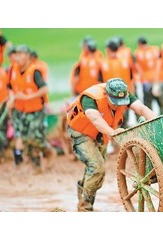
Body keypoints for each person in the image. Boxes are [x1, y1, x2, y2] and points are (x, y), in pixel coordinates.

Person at [66, 78, 156, 211]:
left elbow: (142, 109)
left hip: (101, 134)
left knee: (97, 172)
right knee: (97, 167)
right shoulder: (90, 98)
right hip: (81, 132)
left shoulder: (124, 93)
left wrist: (156, 120)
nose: (118, 106)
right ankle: (84, 208)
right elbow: (96, 119)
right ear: (107, 95)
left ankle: (83, 197)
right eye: (115, 103)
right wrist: (113, 133)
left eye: (121, 103)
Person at [8, 45, 55, 171]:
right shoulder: (12, 70)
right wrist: (12, 98)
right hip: (20, 110)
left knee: (35, 138)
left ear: (28, 56)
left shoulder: (34, 71)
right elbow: (10, 88)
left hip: (35, 110)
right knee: (25, 139)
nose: (18, 57)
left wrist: (28, 97)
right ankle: (36, 167)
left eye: (21, 54)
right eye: (16, 54)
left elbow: (44, 88)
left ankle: (49, 151)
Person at [100, 38, 134, 128]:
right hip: (125, 97)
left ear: (107, 50)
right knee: (124, 124)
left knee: (112, 125)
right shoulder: (125, 62)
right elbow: (131, 79)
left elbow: (99, 83)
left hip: (110, 100)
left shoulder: (103, 63)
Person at [134, 36, 163, 114]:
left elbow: (138, 69)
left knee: (148, 104)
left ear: (139, 44)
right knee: (161, 103)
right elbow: (159, 64)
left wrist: (144, 80)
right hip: (156, 80)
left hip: (146, 81)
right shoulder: (155, 49)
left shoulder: (138, 53)